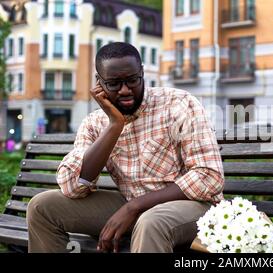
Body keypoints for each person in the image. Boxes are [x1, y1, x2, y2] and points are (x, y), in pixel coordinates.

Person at [26, 42, 224, 253]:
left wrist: (134, 207)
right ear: (99, 84)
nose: (125, 90)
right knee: (42, 207)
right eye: (113, 84)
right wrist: (114, 126)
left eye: (132, 80)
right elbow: (72, 186)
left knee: (151, 221)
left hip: (192, 207)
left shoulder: (180, 104)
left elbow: (209, 176)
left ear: (142, 74)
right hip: (131, 204)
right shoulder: (94, 123)